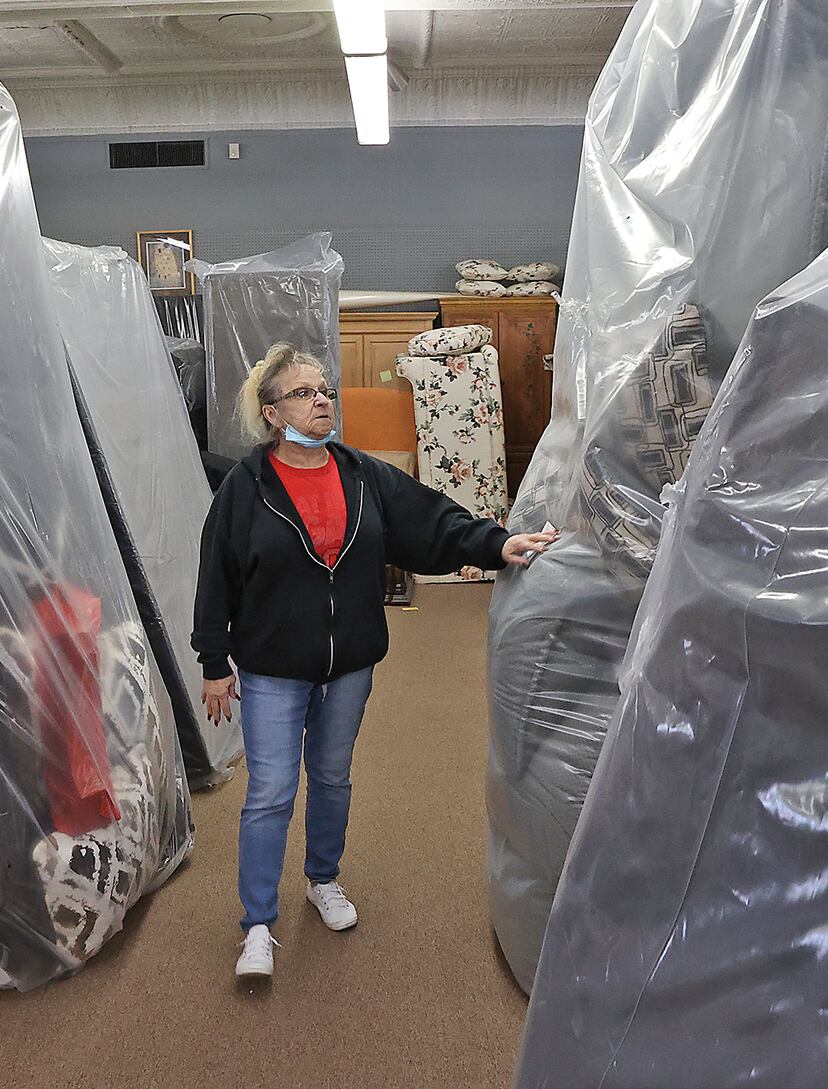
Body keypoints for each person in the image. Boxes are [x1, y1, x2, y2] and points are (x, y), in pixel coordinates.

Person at [193, 342, 557, 979]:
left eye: (325, 389)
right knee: (271, 793)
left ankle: (323, 879)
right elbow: (216, 577)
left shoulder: (362, 474)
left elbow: (432, 523)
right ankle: (257, 923)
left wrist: (499, 543)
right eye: (304, 393)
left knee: (332, 776)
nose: (322, 400)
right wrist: (214, 659)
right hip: (272, 666)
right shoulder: (245, 489)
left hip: (349, 661)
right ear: (273, 412)